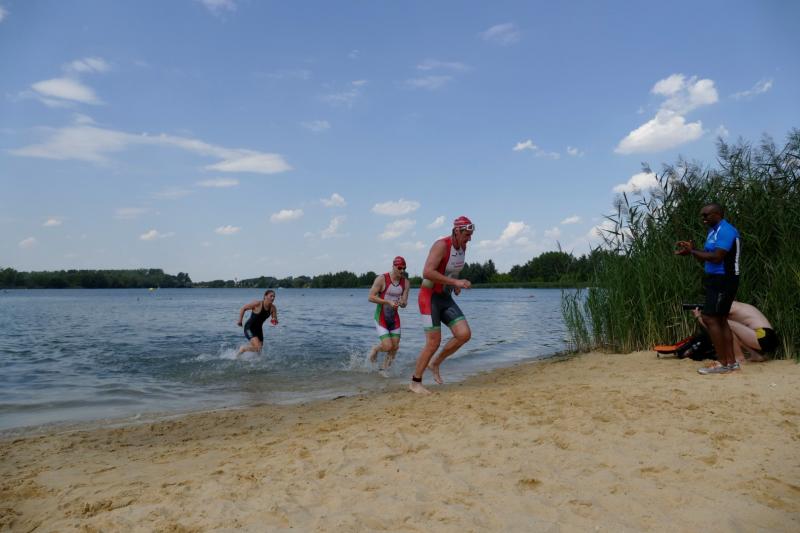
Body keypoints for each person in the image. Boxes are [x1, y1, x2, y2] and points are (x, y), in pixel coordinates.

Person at [410, 216, 474, 394]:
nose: (469, 239)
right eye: (467, 235)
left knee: (464, 334)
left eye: (471, 235)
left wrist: (455, 285)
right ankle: (415, 382)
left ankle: (435, 363)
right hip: (429, 297)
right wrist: (455, 282)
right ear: (457, 231)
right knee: (433, 342)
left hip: (445, 297)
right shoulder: (441, 245)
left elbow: (451, 270)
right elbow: (427, 272)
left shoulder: (463, 247)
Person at [675, 203, 741, 374]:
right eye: (702, 215)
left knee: (710, 318)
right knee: (720, 320)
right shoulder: (713, 231)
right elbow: (706, 257)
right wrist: (692, 251)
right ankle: (731, 362)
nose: (703, 218)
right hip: (715, 279)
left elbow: (717, 257)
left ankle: (722, 363)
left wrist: (693, 251)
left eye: (706, 215)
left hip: (724, 279)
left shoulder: (726, 230)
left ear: (717, 214)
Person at [692, 301, 778, 363]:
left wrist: (698, 317)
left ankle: (739, 357)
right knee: (731, 331)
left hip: (761, 335)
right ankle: (755, 355)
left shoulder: (729, 306)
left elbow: (714, 325)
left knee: (724, 325)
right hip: (766, 336)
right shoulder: (736, 305)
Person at [367, 256, 410, 374]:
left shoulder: (406, 282)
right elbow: (370, 297)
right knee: (387, 346)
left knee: (395, 347)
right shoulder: (382, 279)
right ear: (393, 266)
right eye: (399, 268)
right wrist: (388, 302)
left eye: (404, 268)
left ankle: (384, 370)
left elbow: (404, 302)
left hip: (394, 318)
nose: (402, 270)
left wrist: (402, 303)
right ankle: (375, 349)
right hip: (381, 317)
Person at [237, 289, 278, 355]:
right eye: (271, 296)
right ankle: (243, 349)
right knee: (258, 347)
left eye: (274, 296)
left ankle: (245, 357)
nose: (273, 298)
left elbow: (274, 318)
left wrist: (274, 320)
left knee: (259, 349)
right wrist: (240, 321)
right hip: (249, 328)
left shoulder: (273, 308)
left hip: (259, 329)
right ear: (265, 296)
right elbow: (243, 308)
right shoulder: (258, 304)